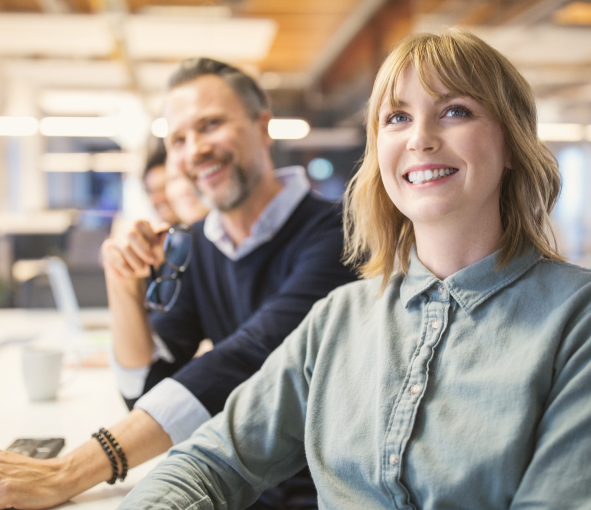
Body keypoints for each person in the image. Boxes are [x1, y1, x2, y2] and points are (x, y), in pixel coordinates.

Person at [117, 30, 591, 510]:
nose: (420, 139)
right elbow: (212, 461)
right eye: (398, 118)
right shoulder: (338, 318)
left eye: (455, 111)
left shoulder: (576, 320)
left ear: (511, 143)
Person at [0, 58, 356, 510]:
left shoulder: (338, 232)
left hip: (322, 491)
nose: (194, 151)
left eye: (210, 125)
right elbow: (147, 390)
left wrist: (72, 470)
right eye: (178, 139)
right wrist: (122, 283)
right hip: (242, 485)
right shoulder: (200, 246)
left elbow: (247, 359)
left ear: (262, 126)